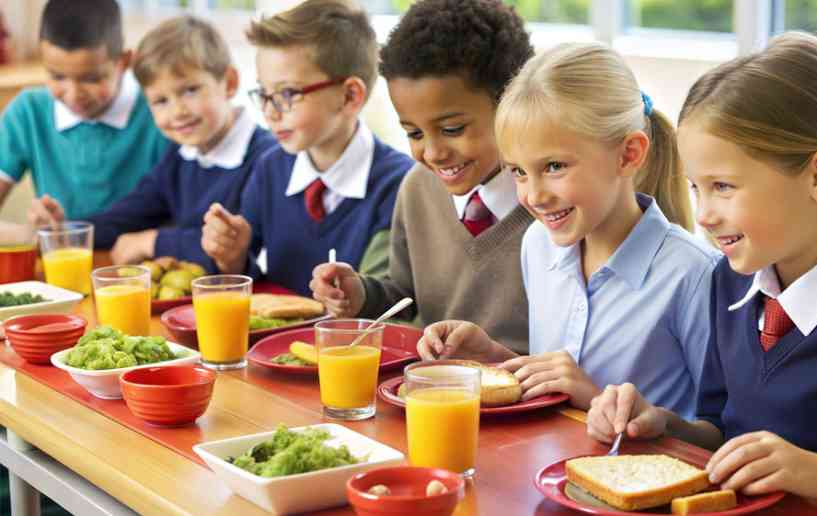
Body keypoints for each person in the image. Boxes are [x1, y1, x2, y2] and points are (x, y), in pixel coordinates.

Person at [587, 32, 817, 515]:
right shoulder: (731, 281)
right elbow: (722, 428)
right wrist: (662, 424)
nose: (703, 215)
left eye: (723, 186)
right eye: (697, 188)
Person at [417, 43, 717, 410]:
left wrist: (592, 397)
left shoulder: (696, 275)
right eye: (519, 172)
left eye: (555, 166)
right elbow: (554, 390)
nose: (534, 196)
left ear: (628, 155)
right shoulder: (538, 243)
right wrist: (493, 356)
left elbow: (718, 436)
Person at [309, 0, 536, 351]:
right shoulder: (418, 187)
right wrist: (362, 294)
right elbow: (405, 295)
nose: (432, 153)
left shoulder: (553, 203)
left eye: (452, 128)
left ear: (511, 102)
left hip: (527, 397)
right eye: (414, 134)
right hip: (434, 393)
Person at [27, 16, 275, 268]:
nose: (177, 111)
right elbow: (127, 216)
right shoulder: (181, 156)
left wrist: (152, 241)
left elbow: (237, 247)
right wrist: (65, 230)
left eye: (190, 90)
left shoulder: (267, 159)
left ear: (230, 83)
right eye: (161, 101)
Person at [201, 0, 412, 294]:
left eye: (287, 93)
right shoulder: (270, 168)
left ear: (350, 96)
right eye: (264, 93)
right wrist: (232, 257)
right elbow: (251, 286)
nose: (270, 112)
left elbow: (392, 301)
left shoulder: (400, 184)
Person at [0, 0, 168, 219]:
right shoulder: (28, 112)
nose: (73, 94)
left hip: (148, 252)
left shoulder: (162, 114)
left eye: (92, 78)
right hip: (61, 252)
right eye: (57, 76)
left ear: (124, 62)